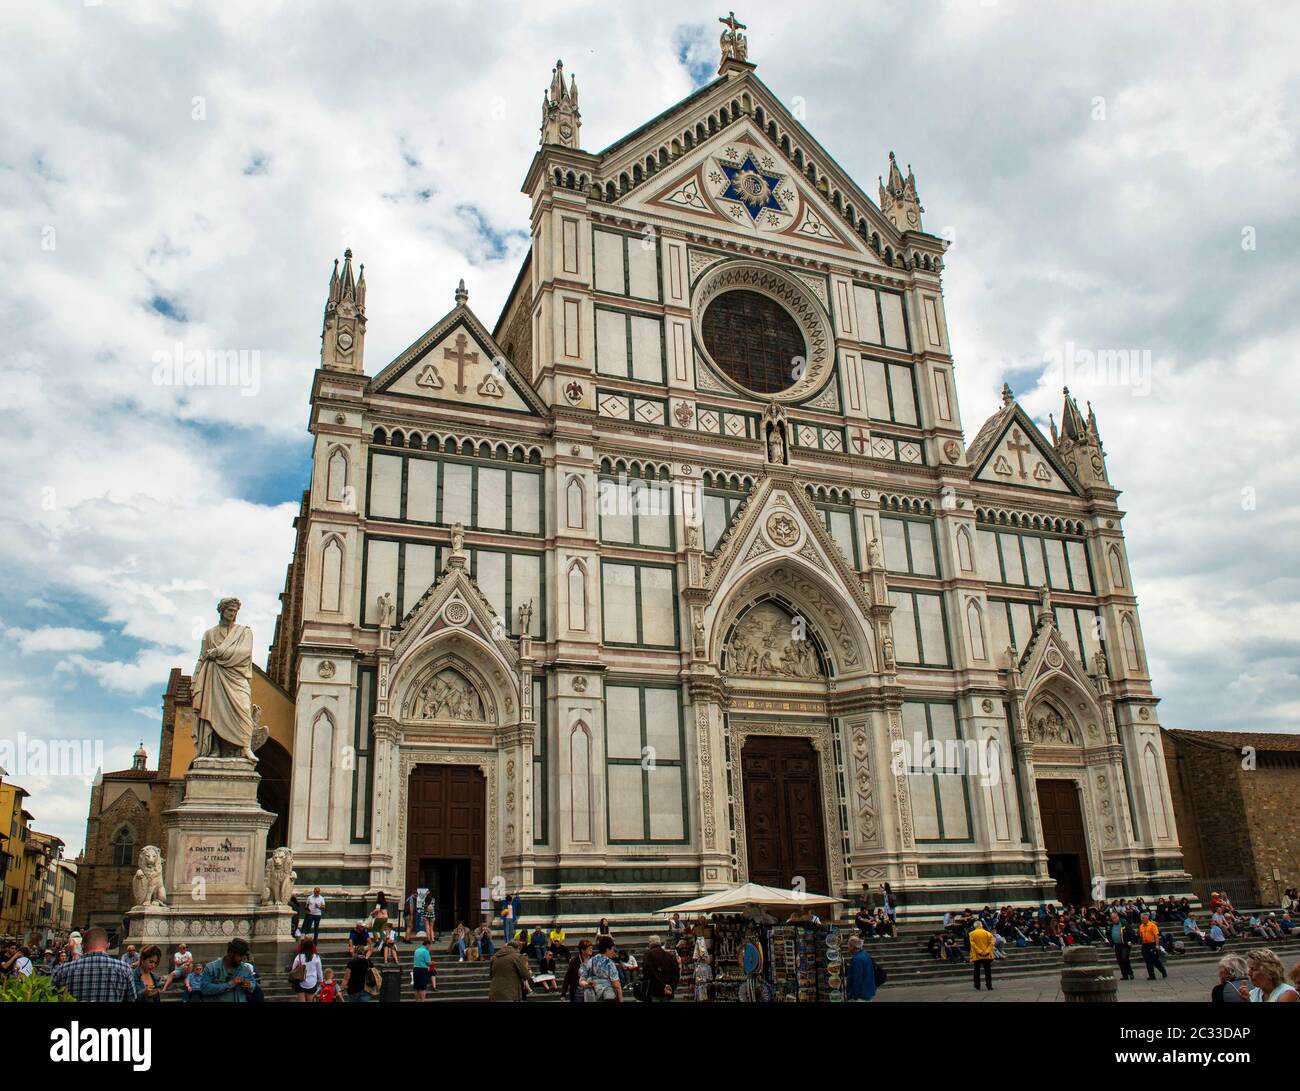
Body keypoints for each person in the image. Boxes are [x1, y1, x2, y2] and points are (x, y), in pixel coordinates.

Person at [51, 927, 134, 1003]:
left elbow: (50, 996)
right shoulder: (124, 969)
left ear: (82, 946)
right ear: (108, 945)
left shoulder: (63, 970)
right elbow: (131, 999)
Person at [489, 936, 533, 1002]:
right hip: (510, 993)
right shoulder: (517, 957)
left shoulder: (494, 957)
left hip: (495, 992)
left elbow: (491, 975)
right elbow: (525, 975)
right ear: (518, 948)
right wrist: (529, 971)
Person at [582, 935, 623, 1002]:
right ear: (607, 949)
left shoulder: (591, 960)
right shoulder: (610, 963)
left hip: (592, 994)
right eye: (612, 949)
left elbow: (583, 979)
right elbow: (617, 985)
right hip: (607, 996)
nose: (613, 951)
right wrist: (621, 1000)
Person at [641, 935, 680, 1002]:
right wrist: (671, 987)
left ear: (650, 943)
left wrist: (662, 986)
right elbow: (676, 973)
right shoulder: (669, 956)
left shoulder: (648, 955)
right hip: (667, 990)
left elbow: (647, 973)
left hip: (654, 990)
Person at [846, 934, 877, 1001]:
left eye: (848, 945)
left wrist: (854, 995)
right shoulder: (865, 954)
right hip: (867, 992)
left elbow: (857, 978)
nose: (848, 947)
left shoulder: (857, 959)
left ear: (852, 946)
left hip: (861, 995)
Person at [1108, 911, 1136, 981]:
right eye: (1112, 918)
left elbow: (1131, 933)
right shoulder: (1111, 926)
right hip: (1117, 945)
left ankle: (1130, 973)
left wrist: (1132, 941)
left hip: (1125, 944)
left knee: (1124, 958)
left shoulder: (1124, 924)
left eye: (1115, 918)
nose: (1114, 919)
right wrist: (1111, 943)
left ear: (1118, 917)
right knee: (1120, 960)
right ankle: (1124, 975)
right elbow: (1109, 935)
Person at [1138, 913, 1167, 980]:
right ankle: (1152, 975)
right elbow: (1141, 936)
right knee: (1147, 960)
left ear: (1147, 918)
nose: (1142, 920)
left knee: (1155, 960)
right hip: (1145, 945)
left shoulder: (1152, 925)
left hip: (1152, 944)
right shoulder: (1141, 926)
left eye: (1143, 918)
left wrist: (1157, 945)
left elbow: (1156, 936)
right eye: (1141, 918)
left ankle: (1163, 971)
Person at [969, 918, 994, 991]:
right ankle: (989, 985)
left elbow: (973, 944)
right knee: (988, 971)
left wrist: (980, 951)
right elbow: (991, 943)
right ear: (981, 925)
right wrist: (986, 951)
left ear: (974, 926)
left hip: (977, 955)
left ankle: (977, 985)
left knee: (976, 971)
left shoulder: (972, 934)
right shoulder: (988, 933)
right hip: (987, 955)